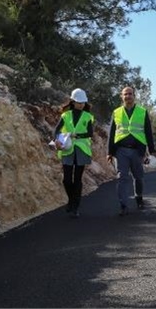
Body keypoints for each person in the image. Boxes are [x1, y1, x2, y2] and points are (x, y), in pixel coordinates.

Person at [107, 86, 156, 216]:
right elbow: (112, 133)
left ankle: (138, 197)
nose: (128, 96)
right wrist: (109, 152)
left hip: (137, 151)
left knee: (138, 177)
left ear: (134, 96)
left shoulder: (142, 112)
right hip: (121, 151)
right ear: (121, 96)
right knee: (122, 177)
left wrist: (152, 150)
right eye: (125, 94)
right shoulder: (116, 112)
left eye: (130, 94)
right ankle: (123, 204)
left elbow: (148, 131)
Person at [53, 88, 94, 218]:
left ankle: (75, 206)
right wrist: (56, 140)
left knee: (77, 179)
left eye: (83, 102)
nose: (81, 105)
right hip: (67, 149)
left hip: (82, 149)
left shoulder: (88, 116)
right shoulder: (66, 115)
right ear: (73, 101)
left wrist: (77, 135)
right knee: (66, 179)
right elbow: (56, 130)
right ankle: (71, 200)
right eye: (78, 102)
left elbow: (90, 133)